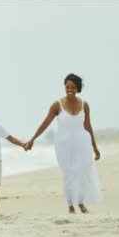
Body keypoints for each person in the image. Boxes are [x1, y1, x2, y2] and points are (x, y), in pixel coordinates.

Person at [24, 73, 102, 213]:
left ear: (78, 88)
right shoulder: (57, 105)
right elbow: (45, 123)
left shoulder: (84, 105)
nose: (70, 90)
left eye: (73, 87)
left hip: (82, 144)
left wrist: (95, 148)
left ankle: (80, 202)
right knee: (69, 173)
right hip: (64, 145)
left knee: (82, 172)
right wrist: (32, 140)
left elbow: (88, 126)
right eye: (67, 87)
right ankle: (71, 205)